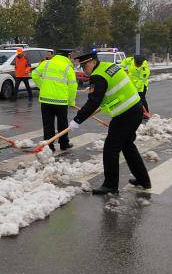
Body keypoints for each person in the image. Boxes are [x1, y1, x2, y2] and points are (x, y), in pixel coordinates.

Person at [71, 51, 150, 194]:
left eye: (85, 66)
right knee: (127, 146)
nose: (84, 70)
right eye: (82, 67)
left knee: (110, 149)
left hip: (125, 114)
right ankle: (143, 179)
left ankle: (110, 186)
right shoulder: (109, 66)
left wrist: (77, 120)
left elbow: (94, 101)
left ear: (93, 62)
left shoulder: (98, 76)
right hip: (134, 109)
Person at [31, 48, 77, 153]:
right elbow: (73, 86)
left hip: (46, 100)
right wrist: (71, 101)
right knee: (62, 123)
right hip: (61, 101)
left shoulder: (46, 63)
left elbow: (34, 75)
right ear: (68, 56)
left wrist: (42, 86)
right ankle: (64, 144)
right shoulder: (67, 67)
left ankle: (49, 146)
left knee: (48, 124)